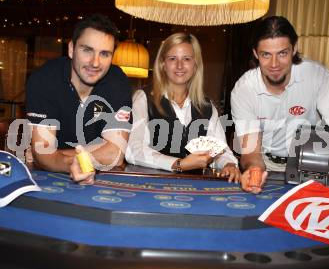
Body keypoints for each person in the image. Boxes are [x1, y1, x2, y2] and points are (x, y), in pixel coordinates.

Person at [231, 15, 329, 208]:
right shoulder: (244, 89)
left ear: (294, 49)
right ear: (256, 54)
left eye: (282, 53)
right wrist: (254, 170)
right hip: (267, 164)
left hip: (310, 163)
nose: (274, 64)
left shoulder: (317, 76)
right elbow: (251, 151)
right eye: (266, 54)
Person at [26, 14, 132, 184]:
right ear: (71, 49)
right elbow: (42, 154)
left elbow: (115, 155)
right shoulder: (44, 79)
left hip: (100, 178)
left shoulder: (118, 82)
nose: (95, 63)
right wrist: (68, 161)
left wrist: (57, 155)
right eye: (87, 50)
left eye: (104, 54)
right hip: (48, 178)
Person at [126, 33, 240, 182]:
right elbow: (134, 150)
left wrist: (229, 164)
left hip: (195, 189)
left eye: (186, 59)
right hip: (151, 186)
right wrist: (178, 164)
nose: (179, 65)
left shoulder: (207, 107)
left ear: (195, 65)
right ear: (163, 64)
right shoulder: (143, 98)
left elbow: (220, 150)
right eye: (172, 58)